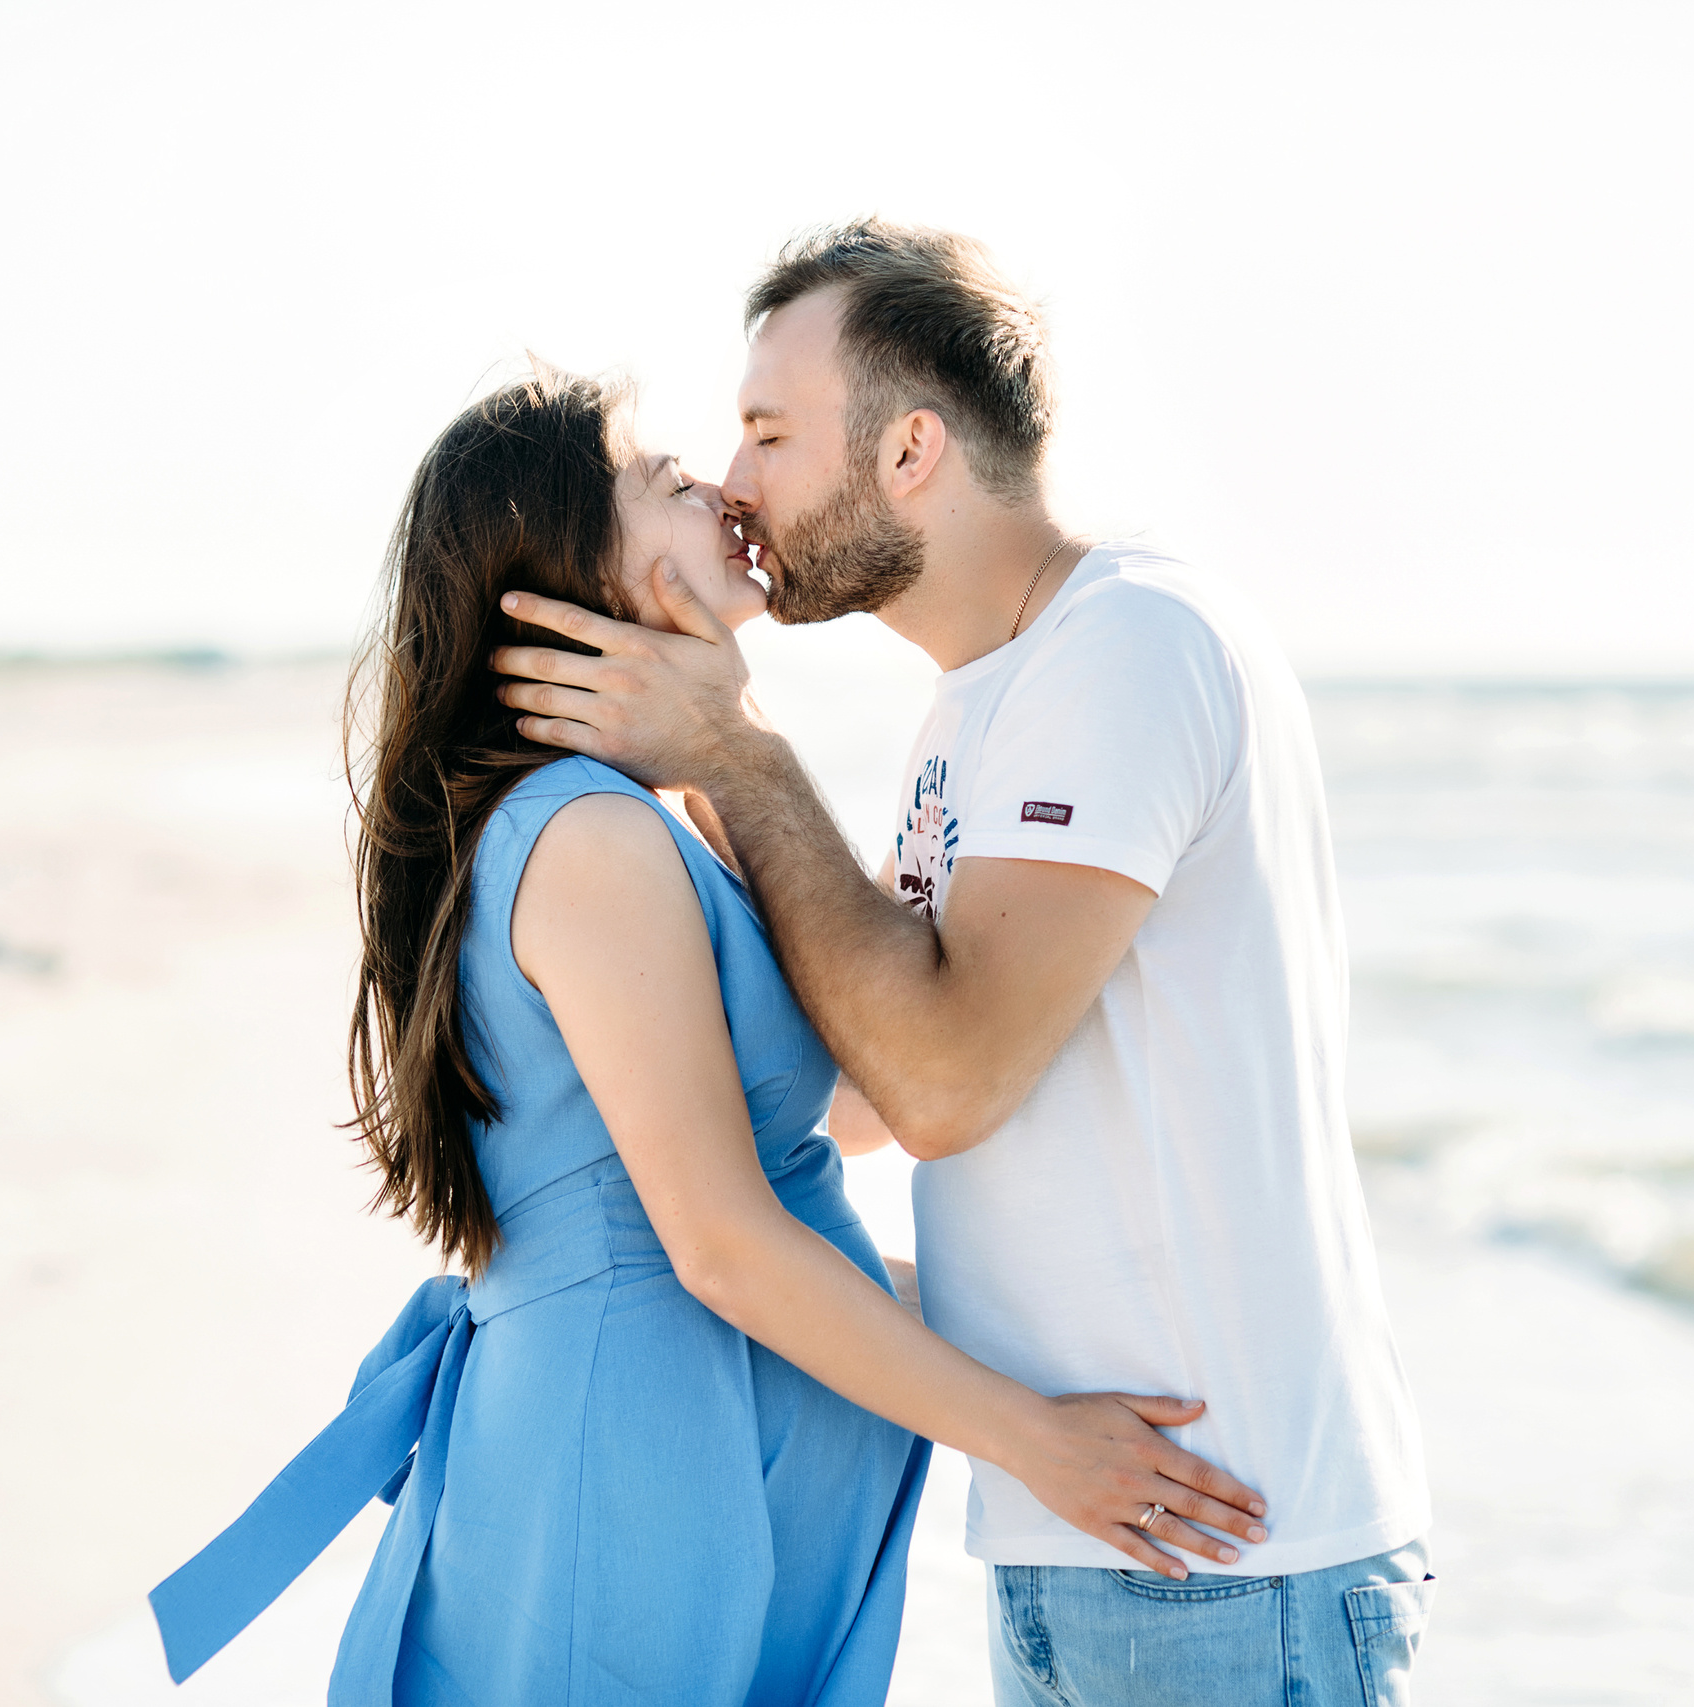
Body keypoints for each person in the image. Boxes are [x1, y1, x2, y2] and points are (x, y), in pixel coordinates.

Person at [147, 368, 1267, 1707]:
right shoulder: (593, 840)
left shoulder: (655, 819)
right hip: (632, 1493)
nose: (719, 488)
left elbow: (862, 1093)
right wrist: (1033, 1440)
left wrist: (726, 744)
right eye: (661, 480)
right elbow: (721, 1242)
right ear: (567, 574)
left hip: (713, 1474)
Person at [492, 222, 1436, 1706]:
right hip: (1096, 1516)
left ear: (911, 449)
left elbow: (937, 1086)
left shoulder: (1129, 645)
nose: (736, 484)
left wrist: (736, 754)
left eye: (769, 432)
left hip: (1222, 1540)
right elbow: (865, 1076)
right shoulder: (983, 701)